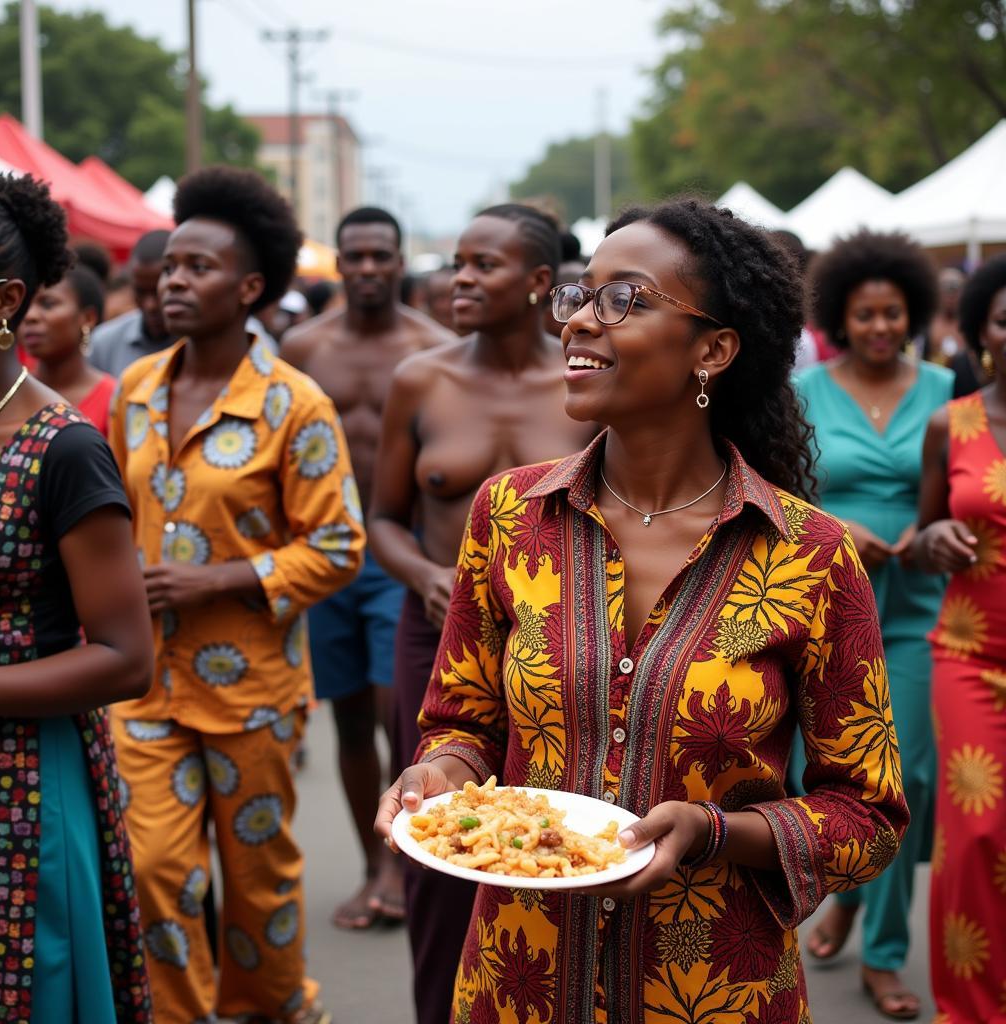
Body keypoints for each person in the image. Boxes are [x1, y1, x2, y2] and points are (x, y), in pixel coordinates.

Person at [376, 197, 910, 1023]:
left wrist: (713, 830)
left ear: (714, 350)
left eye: (623, 299)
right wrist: (438, 777)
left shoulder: (809, 555)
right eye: (580, 296)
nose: (581, 321)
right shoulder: (510, 517)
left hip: (714, 989)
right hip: (520, 979)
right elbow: (462, 724)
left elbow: (866, 816)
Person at [108, 166, 365, 1024]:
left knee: (257, 884)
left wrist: (217, 578)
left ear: (251, 288)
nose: (173, 280)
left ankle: (279, 1008)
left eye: (197, 268)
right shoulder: (137, 392)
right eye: (169, 266)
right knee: (153, 870)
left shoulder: (297, 406)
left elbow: (338, 547)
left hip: (252, 691)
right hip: (143, 683)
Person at [369, 202, 601, 1024]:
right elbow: (382, 518)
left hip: (565, 639)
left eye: (483, 265)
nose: (459, 278)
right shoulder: (422, 379)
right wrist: (433, 574)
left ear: (541, 283)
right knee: (437, 835)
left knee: (551, 831)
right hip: (439, 633)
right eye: (458, 262)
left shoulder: (585, 380)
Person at [0, 173, 153, 1022]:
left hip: (18, 777)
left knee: (24, 988)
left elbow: (127, 658)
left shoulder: (64, 449)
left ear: (5, 301)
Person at [281, 206, 452, 930]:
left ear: (398, 258)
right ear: (339, 263)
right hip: (323, 552)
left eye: (382, 255)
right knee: (349, 715)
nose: (369, 269)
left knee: (400, 713)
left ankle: (400, 863)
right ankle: (370, 864)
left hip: (400, 549)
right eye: (356, 257)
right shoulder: (302, 344)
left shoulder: (434, 347)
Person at [794, 230, 948, 1019]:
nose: (882, 328)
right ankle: (849, 894)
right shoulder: (807, 392)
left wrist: (936, 536)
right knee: (815, 781)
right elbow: (773, 486)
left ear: (913, 314)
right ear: (840, 320)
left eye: (894, 314)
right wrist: (834, 527)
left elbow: (973, 487)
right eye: (866, 315)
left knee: (908, 782)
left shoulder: (948, 390)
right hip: (822, 613)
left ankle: (884, 956)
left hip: (920, 612)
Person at [911, 253, 1006, 1023]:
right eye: (1005, 319)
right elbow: (921, 531)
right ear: (979, 332)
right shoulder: (954, 422)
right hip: (971, 657)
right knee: (974, 835)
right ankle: (970, 1011)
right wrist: (937, 532)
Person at [20, 263, 117, 434]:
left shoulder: (115, 400)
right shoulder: (7, 394)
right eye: (25, 305)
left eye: (48, 304)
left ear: (87, 318)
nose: (30, 316)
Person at [89, 228, 173, 377]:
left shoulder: (203, 343)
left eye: (158, 292)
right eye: (140, 292)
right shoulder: (105, 343)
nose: (150, 305)